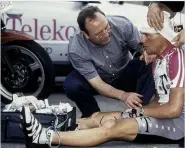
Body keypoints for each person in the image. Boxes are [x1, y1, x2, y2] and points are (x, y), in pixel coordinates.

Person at [20, 12, 184, 147]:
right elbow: (159, 100)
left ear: (163, 37)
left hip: (177, 125)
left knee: (111, 127)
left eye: (147, 36)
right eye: (99, 32)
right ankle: (44, 124)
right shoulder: (160, 60)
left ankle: (44, 137)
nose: (141, 40)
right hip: (106, 81)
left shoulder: (176, 58)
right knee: (95, 117)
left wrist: (141, 111)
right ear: (86, 35)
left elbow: (173, 110)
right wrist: (133, 106)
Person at [63, 6, 155, 117]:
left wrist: (147, 52)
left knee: (150, 63)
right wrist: (123, 95)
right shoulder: (77, 49)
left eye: (107, 27)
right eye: (99, 34)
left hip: (125, 72)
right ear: (86, 35)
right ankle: (92, 116)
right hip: (99, 79)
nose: (106, 34)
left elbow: (143, 46)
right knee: (72, 85)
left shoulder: (122, 25)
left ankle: (141, 112)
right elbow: (97, 83)